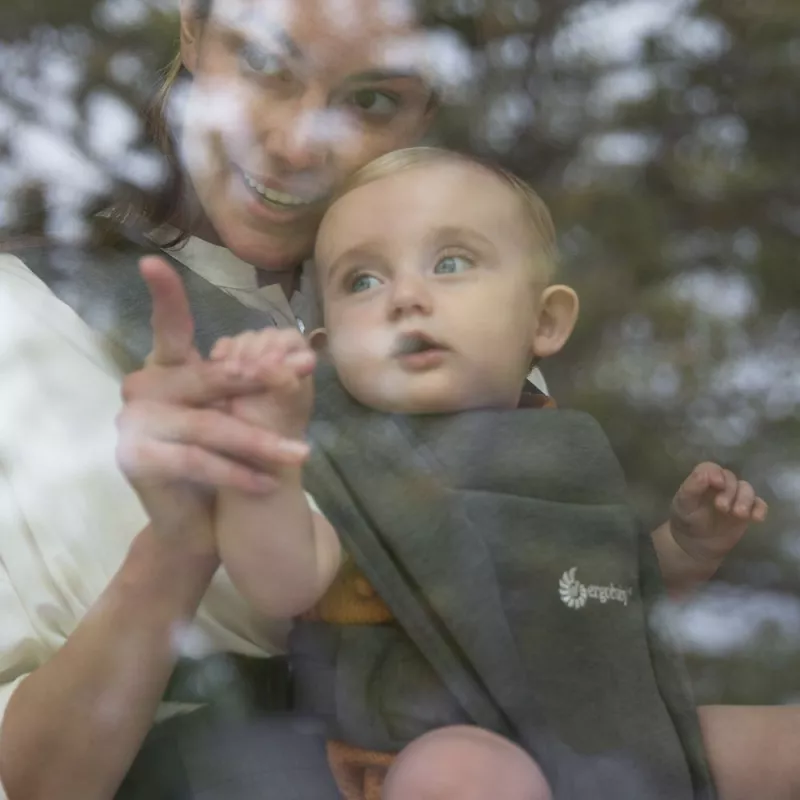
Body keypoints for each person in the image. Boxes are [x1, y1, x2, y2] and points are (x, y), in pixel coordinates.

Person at [135, 146, 787, 799]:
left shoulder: (560, 453)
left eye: (451, 263)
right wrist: (267, 462)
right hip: (432, 751)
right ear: (327, 357)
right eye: (364, 280)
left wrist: (684, 550)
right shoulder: (350, 462)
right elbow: (283, 582)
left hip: (603, 743)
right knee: (462, 775)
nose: (406, 298)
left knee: (782, 746)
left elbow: (595, 601)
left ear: (545, 321)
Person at [0, 2, 488, 798]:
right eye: (265, 64)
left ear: (426, 109)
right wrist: (179, 542)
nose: (297, 144)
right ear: (191, 29)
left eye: (370, 101)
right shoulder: (19, 327)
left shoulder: (472, 337)